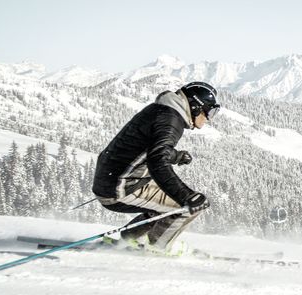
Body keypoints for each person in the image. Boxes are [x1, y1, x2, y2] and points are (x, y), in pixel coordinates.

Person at [91, 82, 220, 255]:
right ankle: (159, 247)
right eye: (210, 111)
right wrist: (186, 196)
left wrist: (175, 155)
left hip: (110, 181)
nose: (208, 118)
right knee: (187, 205)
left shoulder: (162, 111)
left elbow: (147, 146)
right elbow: (157, 161)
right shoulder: (170, 120)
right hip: (120, 187)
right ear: (196, 105)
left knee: (164, 205)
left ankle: (130, 238)